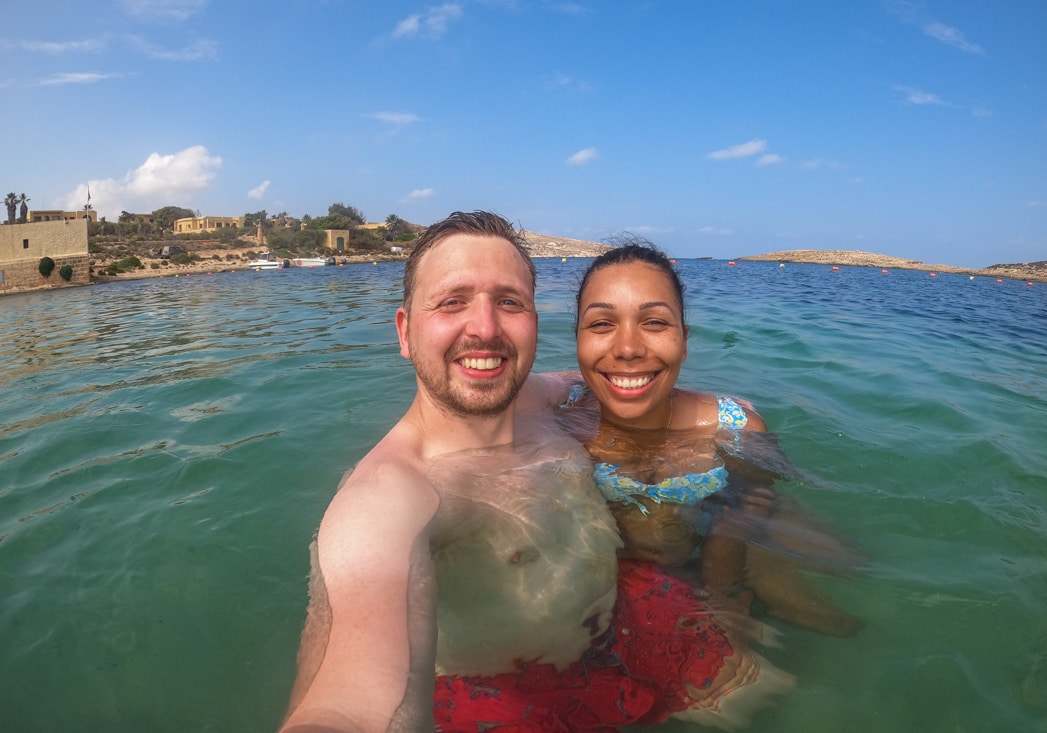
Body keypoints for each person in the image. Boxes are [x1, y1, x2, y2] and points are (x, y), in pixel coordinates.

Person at [281, 212, 791, 733]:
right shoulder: (393, 491)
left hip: (623, 619)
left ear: (534, 322)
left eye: (509, 302)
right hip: (503, 689)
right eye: (452, 301)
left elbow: (609, 371)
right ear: (406, 331)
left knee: (774, 695)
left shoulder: (537, 397)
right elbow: (351, 702)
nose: (484, 327)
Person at [554, 238, 863, 637]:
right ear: (576, 338)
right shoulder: (557, 423)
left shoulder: (736, 428)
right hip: (612, 576)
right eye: (601, 324)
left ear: (684, 340)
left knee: (838, 610)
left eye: (654, 322)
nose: (628, 348)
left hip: (710, 560)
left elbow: (753, 504)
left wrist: (722, 592)